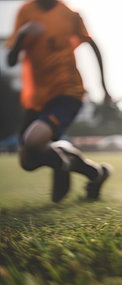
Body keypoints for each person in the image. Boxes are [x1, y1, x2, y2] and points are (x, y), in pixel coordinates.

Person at [6, 0, 112, 202]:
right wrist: (22, 35)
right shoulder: (26, 11)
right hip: (37, 99)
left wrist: (104, 86)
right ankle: (95, 173)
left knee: (33, 140)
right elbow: (11, 60)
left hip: (67, 91)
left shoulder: (70, 14)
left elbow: (92, 44)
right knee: (28, 162)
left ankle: (62, 163)